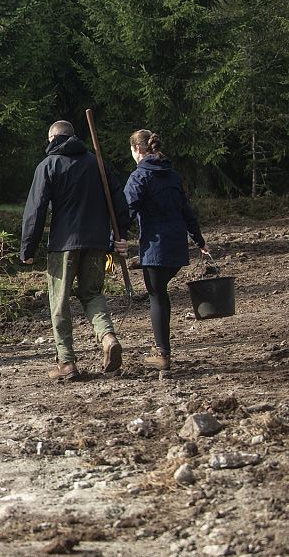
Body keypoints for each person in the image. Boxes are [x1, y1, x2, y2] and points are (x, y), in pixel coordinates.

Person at [21, 120, 130, 380]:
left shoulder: (48, 165)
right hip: (97, 243)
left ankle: (66, 362)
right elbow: (119, 203)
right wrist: (120, 235)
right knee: (91, 293)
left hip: (63, 244)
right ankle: (108, 337)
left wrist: (28, 247)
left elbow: (35, 209)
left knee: (59, 302)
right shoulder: (97, 163)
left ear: (51, 139)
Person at [124, 129, 209, 371]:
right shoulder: (172, 175)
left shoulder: (139, 177)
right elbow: (186, 211)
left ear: (138, 150)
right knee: (160, 292)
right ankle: (162, 349)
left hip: (155, 247)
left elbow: (127, 212)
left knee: (157, 294)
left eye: (131, 150)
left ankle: (162, 353)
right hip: (176, 246)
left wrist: (114, 240)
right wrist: (199, 240)